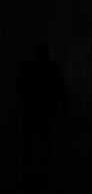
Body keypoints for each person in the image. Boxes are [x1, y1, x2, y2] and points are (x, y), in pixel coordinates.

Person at [17, 42, 68, 184]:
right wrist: (65, 108)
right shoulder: (51, 68)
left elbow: (21, 90)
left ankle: (30, 171)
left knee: (33, 142)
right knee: (43, 142)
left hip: (36, 111)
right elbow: (61, 89)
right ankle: (40, 171)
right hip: (45, 110)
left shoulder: (30, 68)